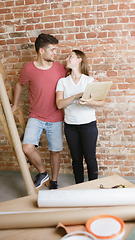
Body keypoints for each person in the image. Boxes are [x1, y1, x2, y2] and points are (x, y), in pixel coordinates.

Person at [11, 33, 67, 190]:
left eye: (55, 49)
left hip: (56, 117)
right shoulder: (28, 68)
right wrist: (15, 104)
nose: (55, 53)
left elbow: (71, 81)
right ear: (41, 51)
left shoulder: (60, 68)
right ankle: (43, 173)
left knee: (55, 151)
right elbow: (19, 84)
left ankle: (54, 182)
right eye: (52, 50)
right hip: (35, 116)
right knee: (27, 148)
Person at [56, 50, 105, 184]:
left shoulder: (89, 81)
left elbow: (101, 102)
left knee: (90, 158)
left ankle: (93, 188)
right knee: (76, 159)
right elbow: (59, 104)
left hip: (88, 125)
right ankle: (79, 186)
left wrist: (91, 102)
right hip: (70, 126)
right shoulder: (62, 82)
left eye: (70, 56)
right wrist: (77, 96)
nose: (67, 59)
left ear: (79, 60)